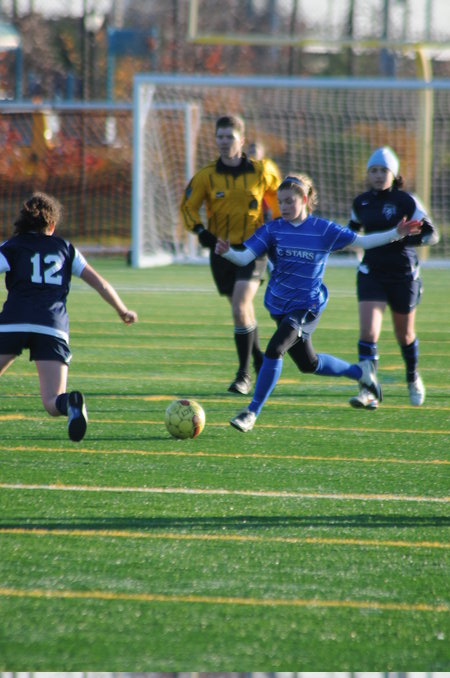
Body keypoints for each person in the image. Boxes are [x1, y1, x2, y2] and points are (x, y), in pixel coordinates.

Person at [214, 173, 422, 433]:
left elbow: (362, 241)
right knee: (308, 364)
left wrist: (396, 233)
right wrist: (228, 252)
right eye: (280, 201)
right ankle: (361, 372)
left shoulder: (323, 229)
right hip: (279, 305)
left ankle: (251, 412)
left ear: (304, 200)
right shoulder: (272, 229)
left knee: (275, 349)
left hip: (306, 306)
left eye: (289, 201)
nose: (283, 206)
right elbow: (245, 258)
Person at [0, 192, 138, 442]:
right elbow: (100, 283)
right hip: (52, 326)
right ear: (52, 225)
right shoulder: (66, 249)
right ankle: (70, 404)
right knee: (52, 401)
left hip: (14, 322)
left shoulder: (12, 246)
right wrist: (122, 310)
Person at [180, 114, 282, 395]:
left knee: (240, 306)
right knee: (242, 311)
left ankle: (243, 375)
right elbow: (188, 208)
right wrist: (201, 232)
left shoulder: (261, 171)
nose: (224, 142)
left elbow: (280, 196)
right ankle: (260, 360)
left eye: (230, 137)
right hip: (221, 252)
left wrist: (279, 226)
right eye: (220, 137)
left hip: (253, 249)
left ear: (242, 140)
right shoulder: (206, 176)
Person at [347, 147, 440, 409]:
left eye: (384, 170)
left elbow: (432, 235)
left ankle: (412, 377)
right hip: (371, 273)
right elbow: (350, 233)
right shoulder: (361, 202)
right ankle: (368, 391)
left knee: (405, 335)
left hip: (403, 275)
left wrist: (404, 239)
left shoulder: (406, 201)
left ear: (394, 173)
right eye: (374, 170)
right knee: (368, 332)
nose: (378, 175)